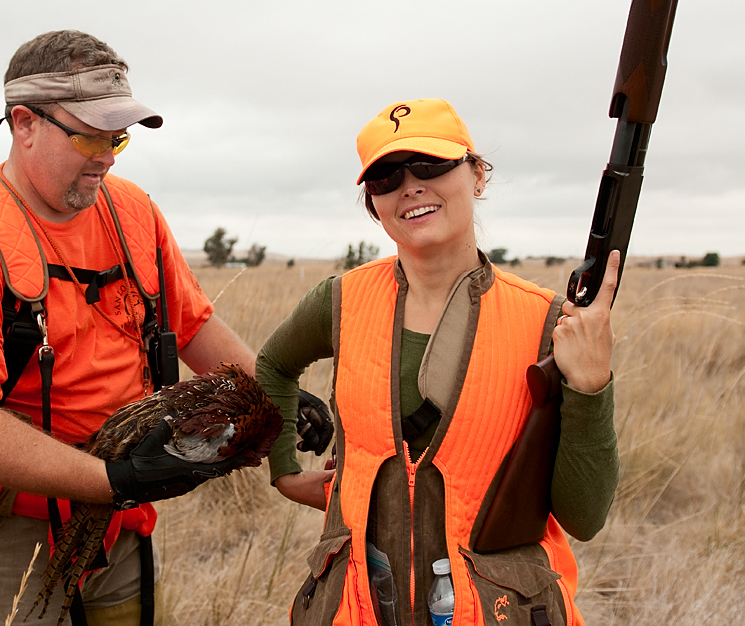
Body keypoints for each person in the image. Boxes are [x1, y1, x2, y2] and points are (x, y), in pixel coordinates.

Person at [0, 30, 256, 626]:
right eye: (88, 135)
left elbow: (194, 328)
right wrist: (114, 478)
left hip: (114, 517)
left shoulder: (132, 210)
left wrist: (269, 402)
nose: (107, 155)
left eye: (118, 138)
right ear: (23, 124)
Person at [256, 99, 619, 626]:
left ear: (477, 176)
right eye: (385, 177)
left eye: (431, 164)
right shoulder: (340, 300)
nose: (411, 185)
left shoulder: (550, 322)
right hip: (357, 605)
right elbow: (273, 363)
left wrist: (590, 384)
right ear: (373, 204)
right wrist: (285, 470)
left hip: (493, 609)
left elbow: (584, 516)